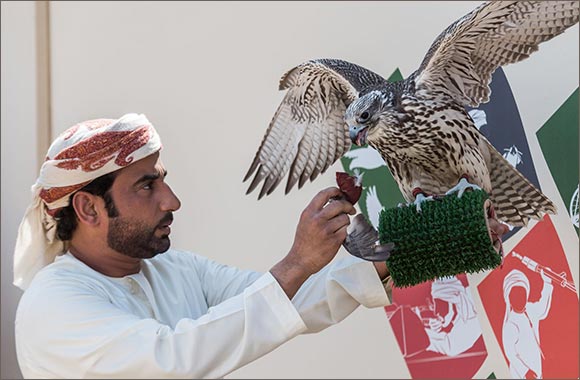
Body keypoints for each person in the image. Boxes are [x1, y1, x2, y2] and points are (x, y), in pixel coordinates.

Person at [13, 113, 506, 379]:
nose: (173, 200)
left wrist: (434, 234)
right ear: (88, 209)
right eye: (146, 186)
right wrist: (296, 262)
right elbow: (171, 360)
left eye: (164, 180)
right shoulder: (54, 305)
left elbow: (283, 305)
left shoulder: (173, 270)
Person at [502, 268, 553, 379]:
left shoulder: (530, 309)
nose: (519, 297)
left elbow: (542, 308)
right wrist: (526, 372)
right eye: (514, 294)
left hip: (536, 369)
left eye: (521, 292)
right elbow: (511, 354)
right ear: (509, 298)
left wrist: (547, 283)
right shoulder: (511, 324)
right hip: (522, 374)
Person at [423, 276, 482, 357]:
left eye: (438, 303)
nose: (436, 312)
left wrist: (423, 334)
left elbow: (451, 346)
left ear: (453, 298)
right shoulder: (462, 315)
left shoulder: (472, 300)